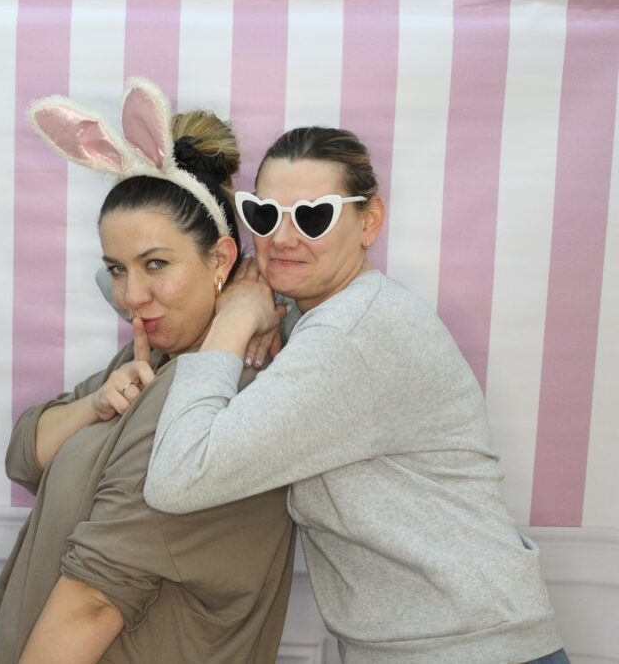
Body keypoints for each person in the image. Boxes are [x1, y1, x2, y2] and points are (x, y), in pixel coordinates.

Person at [144, 126, 569, 664]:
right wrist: (260, 295)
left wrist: (232, 322)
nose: (283, 238)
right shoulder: (325, 314)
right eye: (265, 216)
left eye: (313, 217)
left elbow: (180, 476)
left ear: (369, 222)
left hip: (466, 649)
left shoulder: (351, 335)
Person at [0, 79, 296, 664]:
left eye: (156, 264)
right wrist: (95, 405)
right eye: (117, 269)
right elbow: (24, 455)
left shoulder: (217, 401)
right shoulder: (148, 359)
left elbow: (95, 602)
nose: (131, 297)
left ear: (221, 259)